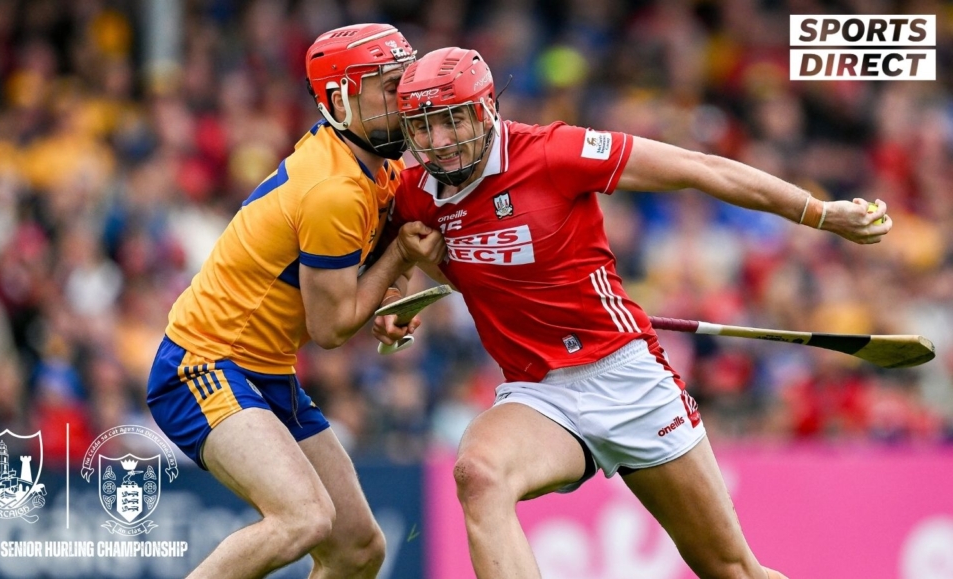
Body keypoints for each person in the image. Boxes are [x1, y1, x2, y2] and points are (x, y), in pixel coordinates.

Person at [377, 47, 893, 579]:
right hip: (538, 393)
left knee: (733, 570)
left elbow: (700, 168)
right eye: (424, 126)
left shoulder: (554, 152)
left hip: (626, 377)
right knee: (479, 474)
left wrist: (820, 213)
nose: (439, 140)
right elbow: (401, 265)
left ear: (486, 110)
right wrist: (395, 300)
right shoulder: (414, 194)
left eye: (453, 119)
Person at [146, 24, 443, 579]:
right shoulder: (333, 190)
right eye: (389, 87)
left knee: (358, 549)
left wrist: (390, 294)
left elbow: (379, 256)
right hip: (202, 366)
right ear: (339, 100)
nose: (405, 99)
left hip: (266, 371)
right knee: (303, 518)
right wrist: (401, 258)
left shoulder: (377, 167)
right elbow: (331, 329)